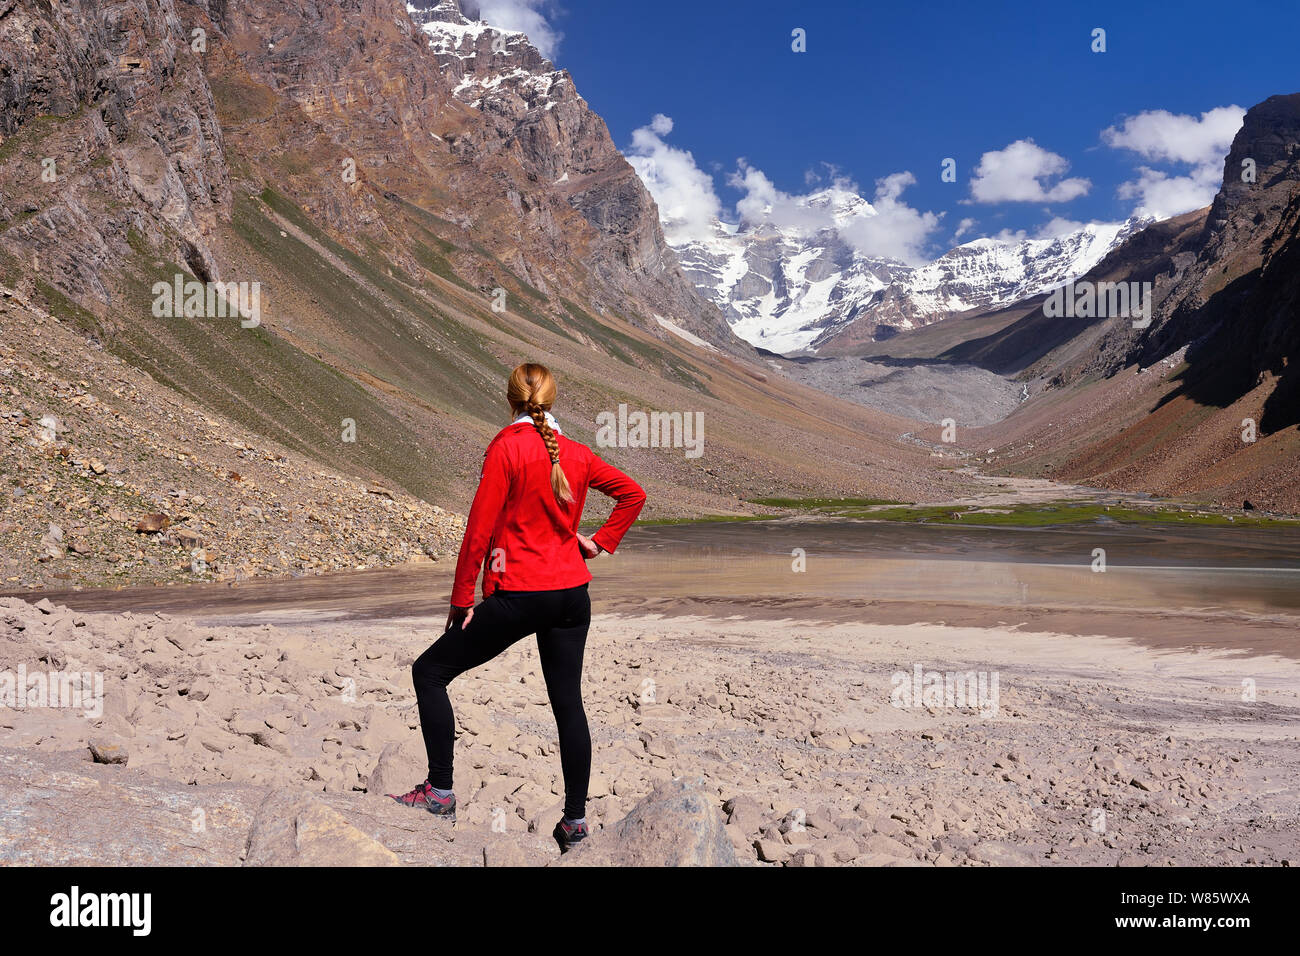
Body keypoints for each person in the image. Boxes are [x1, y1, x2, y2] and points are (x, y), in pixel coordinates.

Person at [389, 363, 646, 853]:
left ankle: (440, 793)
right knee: (568, 703)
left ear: (510, 400)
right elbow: (634, 495)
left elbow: (479, 530)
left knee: (429, 672)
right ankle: (575, 822)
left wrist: (462, 598)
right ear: (553, 399)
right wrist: (599, 543)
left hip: (519, 595)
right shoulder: (576, 453)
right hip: (572, 595)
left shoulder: (506, 447)